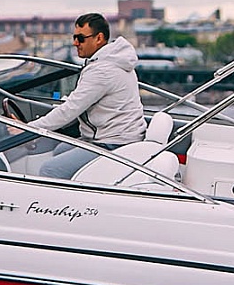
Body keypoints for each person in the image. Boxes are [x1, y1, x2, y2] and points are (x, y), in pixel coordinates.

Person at [26, 13, 145, 180]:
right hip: (122, 137)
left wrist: (28, 128)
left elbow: (70, 110)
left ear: (99, 38)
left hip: (113, 143)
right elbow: (81, 100)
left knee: (50, 170)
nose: (75, 43)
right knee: (60, 150)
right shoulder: (114, 61)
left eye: (80, 38)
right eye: (74, 37)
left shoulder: (102, 70)